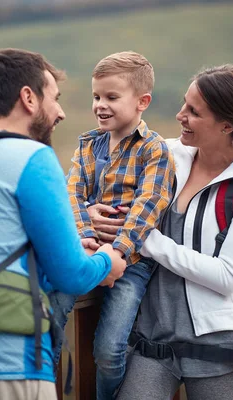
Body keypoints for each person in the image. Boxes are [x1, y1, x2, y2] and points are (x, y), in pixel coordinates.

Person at [0, 48, 127, 400]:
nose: (60, 111)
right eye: (55, 98)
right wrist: (108, 261)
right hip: (8, 365)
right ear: (28, 98)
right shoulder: (32, 158)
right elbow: (72, 275)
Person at [92, 64, 233, 400]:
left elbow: (226, 276)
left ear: (226, 126)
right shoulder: (164, 155)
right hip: (154, 338)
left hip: (219, 346)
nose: (180, 116)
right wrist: (91, 211)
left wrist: (147, 240)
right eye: (183, 104)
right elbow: (101, 183)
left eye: (194, 112)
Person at [49, 51, 175, 400]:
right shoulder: (89, 145)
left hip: (131, 264)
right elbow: (71, 192)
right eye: (96, 97)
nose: (100, 105)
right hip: (89, 251)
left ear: (142, 102)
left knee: (109, 350)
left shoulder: (154, 150)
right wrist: (88, 240)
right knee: (53, 303)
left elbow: (148, 207)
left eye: (111, 97)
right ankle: (46, 385)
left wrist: (116, 252)